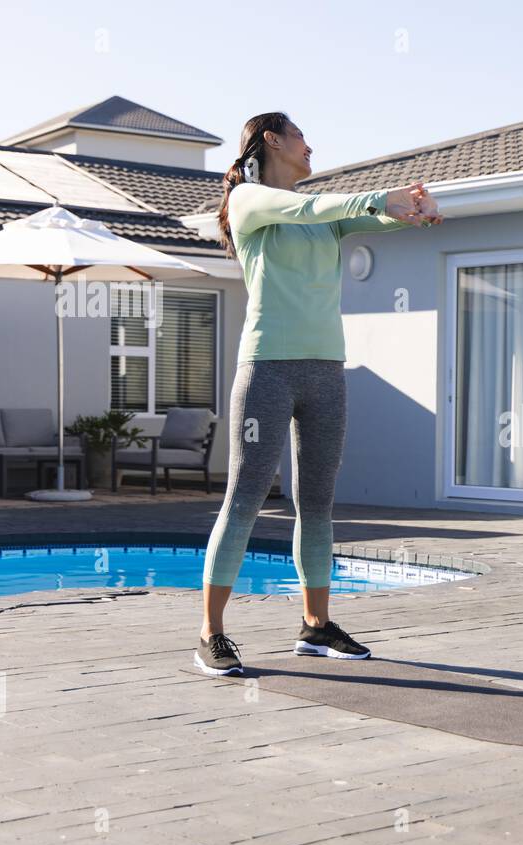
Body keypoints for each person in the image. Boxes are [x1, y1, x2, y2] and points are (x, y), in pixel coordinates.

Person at [195, 112, 442, 677]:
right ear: (274, 141)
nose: (311, 147)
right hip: (267, 369)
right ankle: (210, 631)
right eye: (302, 137)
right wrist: (382, 196)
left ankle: (315, 624)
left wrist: (412, 212)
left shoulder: (323, 217)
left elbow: (365, 217)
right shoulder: (250, 202)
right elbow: (311, 207)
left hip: (326, 371)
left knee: (317, 501)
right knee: (246, 497)